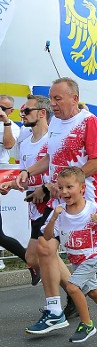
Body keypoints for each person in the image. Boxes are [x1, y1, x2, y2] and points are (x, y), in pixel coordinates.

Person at [18, 78, 97, 335]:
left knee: (95, 254)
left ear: (74, 98)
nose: (53, 104)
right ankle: (53, 310)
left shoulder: (88, 121)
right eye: (51, 99)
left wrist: (67, 184)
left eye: (57, 99)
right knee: (45, 247)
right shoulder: (55, 124)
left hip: (87, 198)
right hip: (60, 197)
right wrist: (30, 172)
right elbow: (52, 157)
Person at [42, 167, 97, 341]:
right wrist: (53, 217)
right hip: (77, 259)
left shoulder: (93, 208)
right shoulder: (60, 212)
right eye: (60, 188)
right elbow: (47, 236)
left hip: (94, 256)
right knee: (93, 292)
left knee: (72, 287)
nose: (65, 192)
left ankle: (87, 324)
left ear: (82, 188)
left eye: (69, 187)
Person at [0, 95, 51, 285]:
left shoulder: (52, 139)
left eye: (26, 111)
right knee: (35, 258)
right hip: (35, 208)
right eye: (22, 111)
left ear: (42, 113)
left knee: (48, 256)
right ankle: (68, 298)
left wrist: (44, 189)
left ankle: (64, 301)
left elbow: (60, 173)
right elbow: (26, 175)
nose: (23, 114)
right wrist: (12, 185)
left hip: (52, 206)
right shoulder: (26, 143)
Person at [0, 93, 30, 272]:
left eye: (4, 108)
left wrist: (5, 121)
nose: (0, 110)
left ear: (11, 111)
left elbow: (9, 145)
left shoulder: (14, 127)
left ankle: (31, 261)